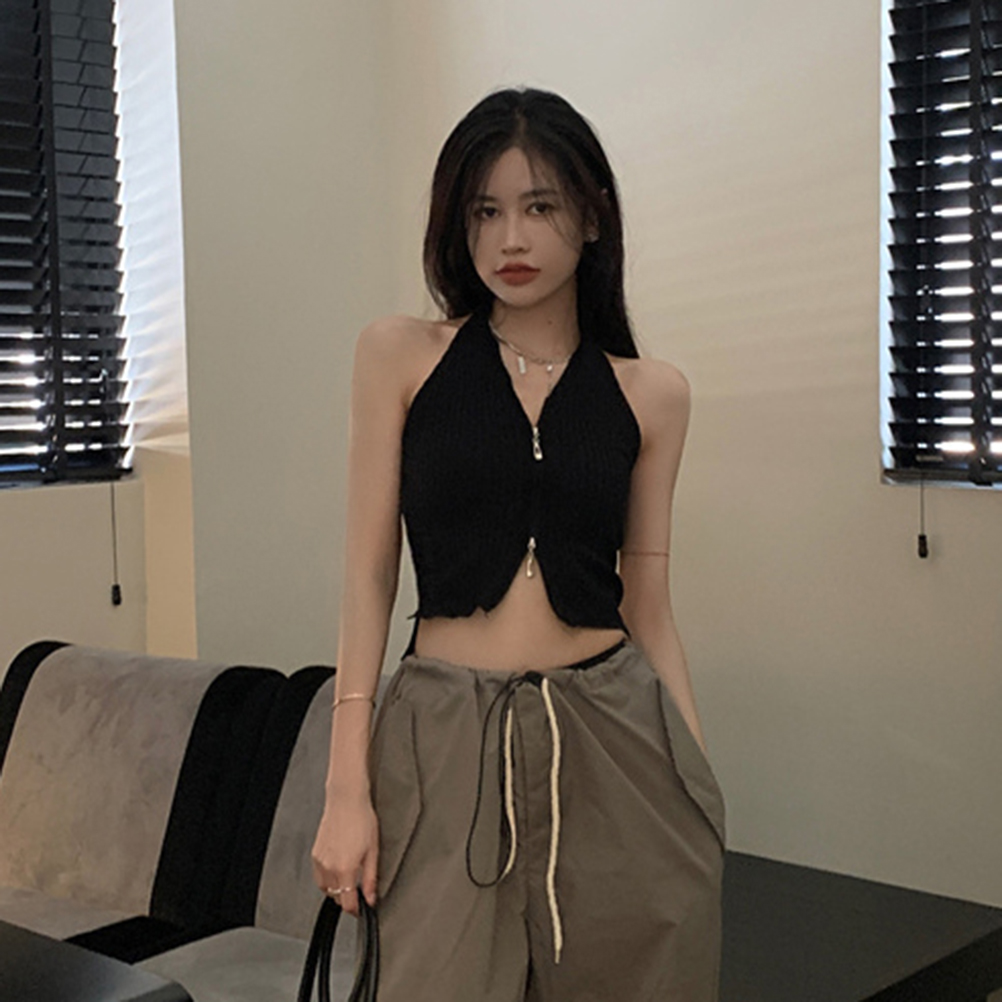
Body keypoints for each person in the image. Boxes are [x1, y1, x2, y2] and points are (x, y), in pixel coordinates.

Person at [311, 86, 725, 1001]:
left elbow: (649, 604)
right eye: (485, 211)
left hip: (616, 736)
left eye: (540, 207)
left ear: (593, 215)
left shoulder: (653, 394)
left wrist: (697, 786)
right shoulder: (400, 355)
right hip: (440, 733)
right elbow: (368, 576)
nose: (511, 239)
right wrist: (346, 787)